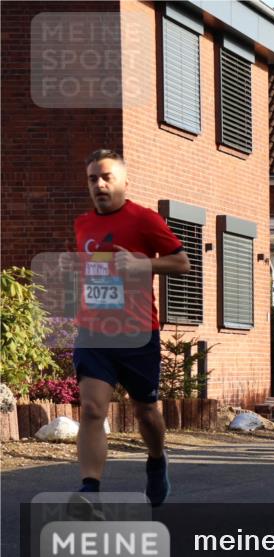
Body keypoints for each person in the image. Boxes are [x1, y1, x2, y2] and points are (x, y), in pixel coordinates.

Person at [60, 149, 190, 506]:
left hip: (136, 332)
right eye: (92, 179)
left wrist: (141, 264)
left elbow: (182, 263)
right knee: (91, 409)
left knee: (146, 411)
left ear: (124, 182)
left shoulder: (144, 220)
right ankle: (89, 489)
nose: (99, 185)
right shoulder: (82, 224)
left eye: (107, 177)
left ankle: (156, 459)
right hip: (93, 330)